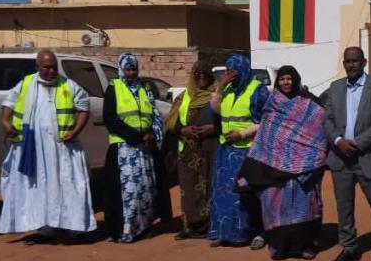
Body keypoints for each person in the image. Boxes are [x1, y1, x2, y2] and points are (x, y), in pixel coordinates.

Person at [0, 49, 96, 242]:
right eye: (46, 67)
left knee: (69, 186)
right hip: (33, 149)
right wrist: (5, 123)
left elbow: (84, 107)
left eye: (54, 67)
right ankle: (45, 229)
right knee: (39, 188)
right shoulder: (26, 84)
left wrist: (75, 132)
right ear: (37, 67)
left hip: (63, 149)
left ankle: (73, 228)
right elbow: (8, 103)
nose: (51, 71)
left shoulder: (68, 85)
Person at [238, 66, 327, 261]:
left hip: (302, 166)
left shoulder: (309, 104)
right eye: (282, 79)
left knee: (303, 204)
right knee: (274, 203)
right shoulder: (272, 104)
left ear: (295, 80)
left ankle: (305, 246)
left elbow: (318, 131)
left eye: (289, 79)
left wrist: (309, 159)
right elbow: (266, 132)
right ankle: (279, 245)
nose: (286, 82)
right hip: (273, 167)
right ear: (277, 82)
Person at [323, 46, 371, 261]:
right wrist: (338, 141)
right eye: (347, 61)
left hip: (368, 156)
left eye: (355, 61)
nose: (351, 65)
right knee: (344, 207)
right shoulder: (335, 88)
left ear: (364, 62)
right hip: (340, 158)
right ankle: (349, 247)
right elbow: (327, 119)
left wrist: (358, 142)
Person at [102, 53, 170, 243]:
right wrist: (136, 137)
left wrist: (153, 134)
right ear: (121, 70)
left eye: (134, 69)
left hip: (145, 149)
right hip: (124, 149)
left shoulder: (145, 88)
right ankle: (126, 230)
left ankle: (144, 226)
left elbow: (154, 114)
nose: (132, 73)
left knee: (146, 190)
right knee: (128, 192)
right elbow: (110, 118)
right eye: (128, 69)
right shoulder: (114, 88)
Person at [208, 54, 269, 248]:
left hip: (247, 152)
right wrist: (219, 87)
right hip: (226, 152)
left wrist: (242, 134)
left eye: (233, 71)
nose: (230, 75)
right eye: (227, 71)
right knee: (224, 193)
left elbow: (266, 122)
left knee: (247, 193)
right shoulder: (227, 89)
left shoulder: (257, 90)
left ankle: (256, 232)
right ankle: (225, 232)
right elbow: (214, 111)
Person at [166, 61, 217, 239]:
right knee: (188, 187)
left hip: (211, 148)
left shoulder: (218, 95)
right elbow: (170, 121)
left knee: (210, 185)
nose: (201, 78)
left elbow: (227, 118)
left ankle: (211, 225)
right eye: (198, 75)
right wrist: (183, 130)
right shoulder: (183, 97)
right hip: (189, 150)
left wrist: (213, 128)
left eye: (205, 75)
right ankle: (191, 226)